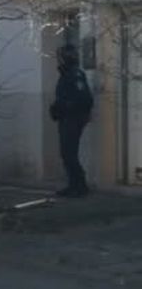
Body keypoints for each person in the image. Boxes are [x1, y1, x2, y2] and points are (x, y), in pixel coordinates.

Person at [49, 44, 93, 197]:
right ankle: (74, 185)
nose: (59, 60)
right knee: (66, 153)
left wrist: (64, 107)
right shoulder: (67, 74)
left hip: (73, 119)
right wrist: (57, 108)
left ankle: (80, 186)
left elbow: (84, 99)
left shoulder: (75, 74)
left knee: (69, 154)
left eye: (61, 56)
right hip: (67, 118)